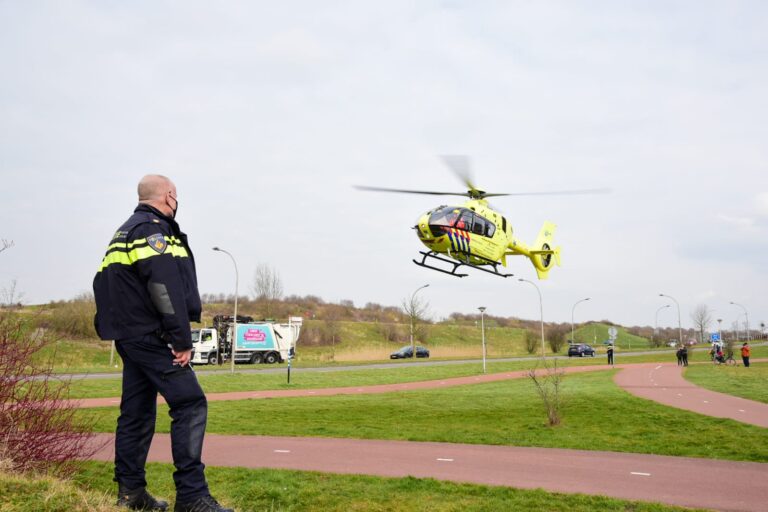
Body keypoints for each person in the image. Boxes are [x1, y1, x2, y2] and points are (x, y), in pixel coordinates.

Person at [93, 175, 233, 512]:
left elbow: (101, 283)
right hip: (151, 336)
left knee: (136, 413)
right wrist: (181, 338)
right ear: (169, 196)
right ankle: (192, 496)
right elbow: (163, 286)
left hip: (128, 337)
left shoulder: (123, 231)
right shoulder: (153, 231)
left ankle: (131, 494)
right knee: (190, 403)